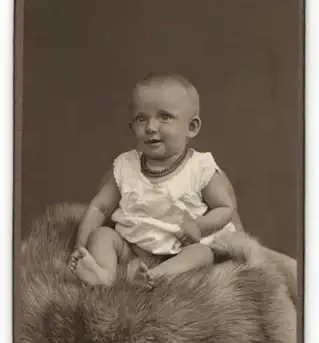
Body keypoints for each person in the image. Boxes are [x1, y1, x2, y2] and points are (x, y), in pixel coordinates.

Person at [69, 73, 237, 288]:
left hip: (179, 251)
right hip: (132, 251)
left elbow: (225, 208)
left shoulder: (200, 167)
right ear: (132, 126)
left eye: (164, 117)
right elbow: (99, 208)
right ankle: (105, 276)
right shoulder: (125, 165)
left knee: (202, 254)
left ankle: (154, 277)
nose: (150, 127)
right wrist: (80, 247)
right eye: (141, 118)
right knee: (102, 236)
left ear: (192, 127)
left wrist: (199, 226)